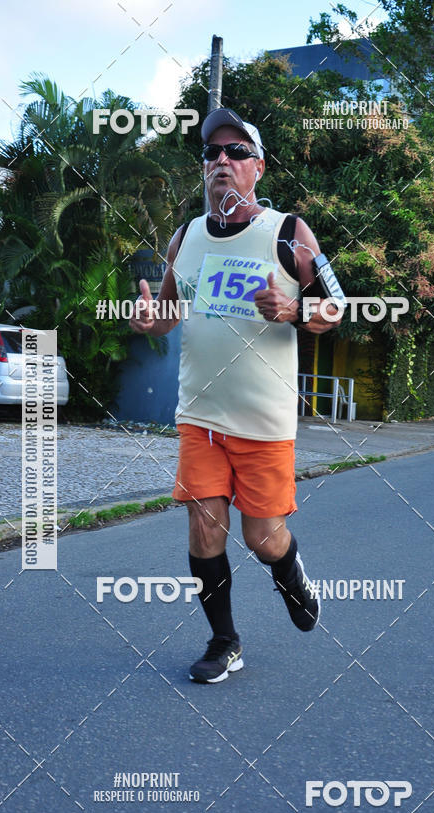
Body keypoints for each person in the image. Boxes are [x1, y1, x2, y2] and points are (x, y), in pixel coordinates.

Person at [130, 107, 342, 683]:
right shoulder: (186, 237)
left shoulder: (289, 233)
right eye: (212, 152)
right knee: (205, 528)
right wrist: (151, 322)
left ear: (258, 167)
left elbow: (336, 308)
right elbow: (170, 313)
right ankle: (224, 641)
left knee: (262, 537)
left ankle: (289, 570)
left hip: (263, 420)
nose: (221, 160)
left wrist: (295, 309)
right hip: (200, 414)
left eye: (236, 151)